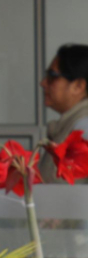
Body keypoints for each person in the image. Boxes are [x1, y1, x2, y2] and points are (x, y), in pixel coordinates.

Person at [40, 44, 88, 185]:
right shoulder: (72, 126)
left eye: (52, 76)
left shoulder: (83, 129)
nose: (43, 83)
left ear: (78, 86)